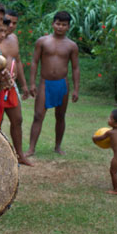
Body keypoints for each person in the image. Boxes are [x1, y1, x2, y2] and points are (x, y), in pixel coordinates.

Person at [27, 11, 80, 156]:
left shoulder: (71, 46)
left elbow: (75, 68)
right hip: (45, 83)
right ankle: (31, 148)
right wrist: (32, 83)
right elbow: (34, 62)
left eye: (64, 25)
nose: (60, 27)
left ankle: (57, 146)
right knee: (38, 115)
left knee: (60, 116)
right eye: (58, 24)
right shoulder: (43, 41)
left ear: (68, 27)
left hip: (62, 83)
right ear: (52, 24)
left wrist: (76, 89)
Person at [0, 11, 33, 166]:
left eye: (14, 23)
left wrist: (23, 84)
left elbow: (17, 61)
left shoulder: (14, 39)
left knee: (17, 120)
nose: (11, 26)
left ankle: (20, 155)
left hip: (12, 88)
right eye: (8, 22)